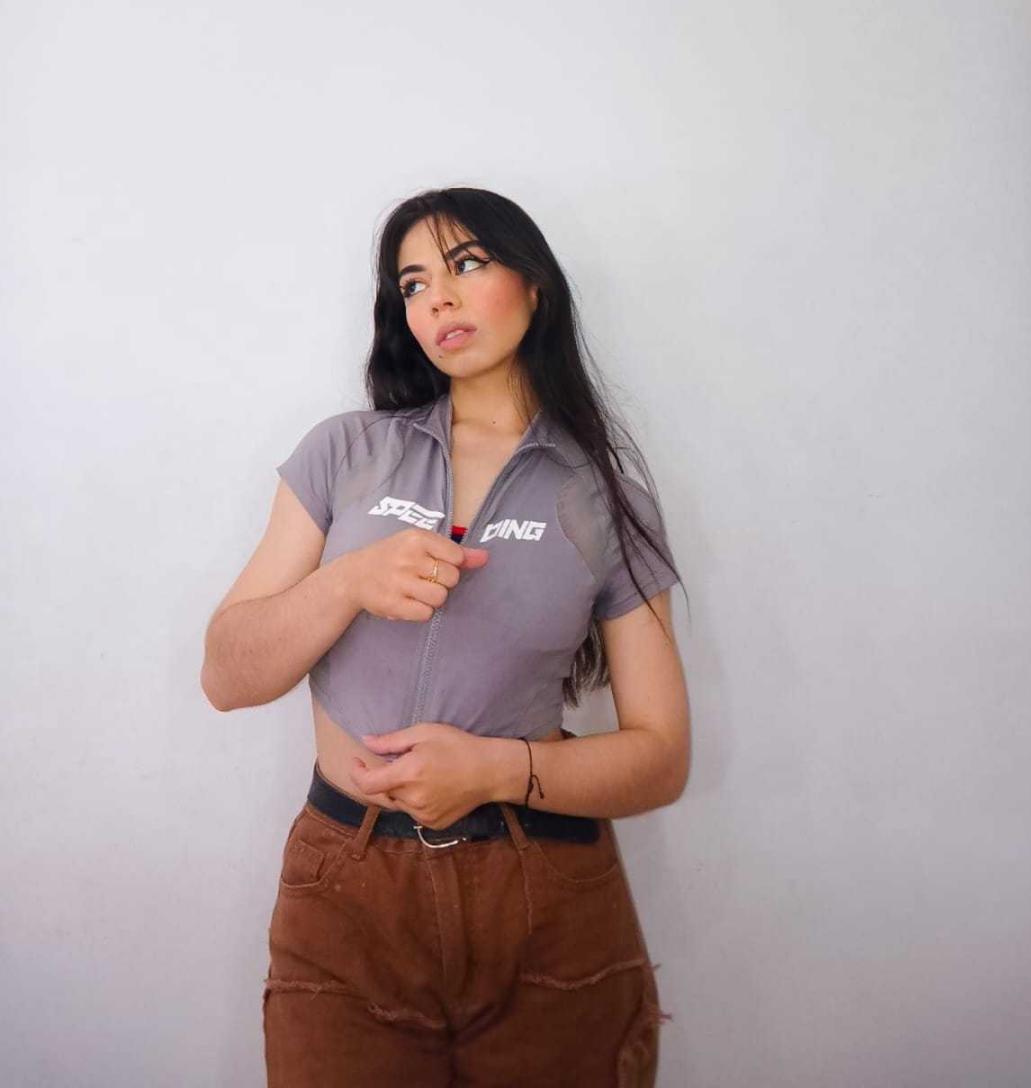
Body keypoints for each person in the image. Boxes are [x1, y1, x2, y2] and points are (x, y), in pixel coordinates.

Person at [201, 186, 692, 1086]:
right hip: (347, 892)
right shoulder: (345, 454)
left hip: (544, 893)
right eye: (414, 283)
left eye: (467, 264)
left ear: (535, 285)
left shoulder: (605, 499)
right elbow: (227, 677)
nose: (440, 299)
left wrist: (496, 770)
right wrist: (348, 582)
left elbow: (662, 758)